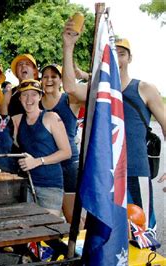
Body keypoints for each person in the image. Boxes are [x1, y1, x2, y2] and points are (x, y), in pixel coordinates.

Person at [62, 18, 165, 231]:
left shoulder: (144, 88)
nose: (117, 57)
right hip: (103, 173)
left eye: (122, 52)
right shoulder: (99, 90)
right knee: (105, 233)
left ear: (130, 58)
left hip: (136, 171)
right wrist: (68, 45)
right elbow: (71, 88)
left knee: (141, 230)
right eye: (112, 52)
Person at [12, 79, 71, 216]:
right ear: (20, 98)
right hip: (27, 184)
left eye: (33, 94)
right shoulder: (16, 120)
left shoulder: (51, 117)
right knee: (29, 230)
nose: (29, 99)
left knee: (48, 229)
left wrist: (38, 161)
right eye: (25, 95)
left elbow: (66, 152)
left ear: (40, 97)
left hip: (50, 184)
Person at [40, 64, 85, 223]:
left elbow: (97, 90)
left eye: (54, 76)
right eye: (45, 77)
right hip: (45, 165)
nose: (49, 80)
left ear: (61, 80)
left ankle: (79, 247)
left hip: (68, 164)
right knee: (49, 218)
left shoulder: (70, 100)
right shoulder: (35, 103)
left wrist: (84, 75)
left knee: (73, 216)